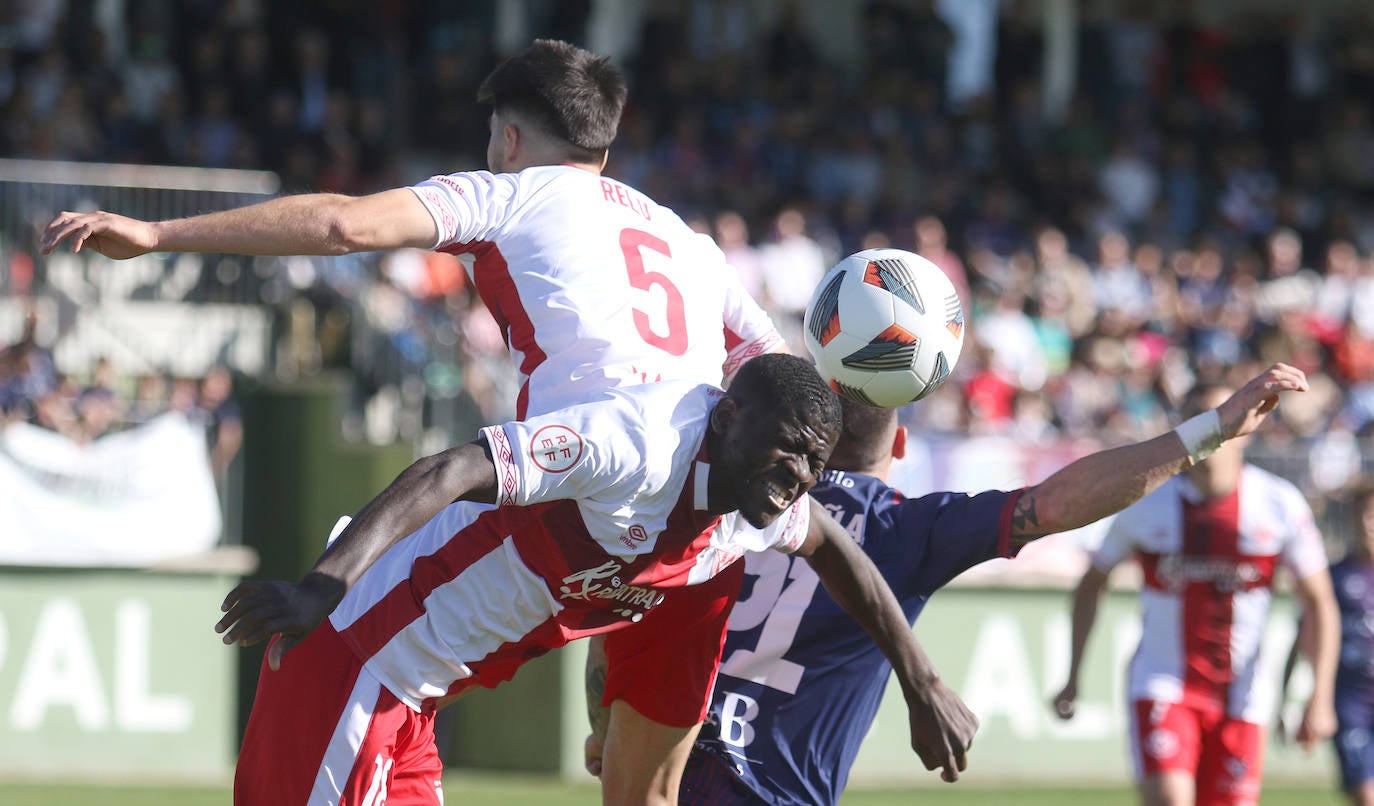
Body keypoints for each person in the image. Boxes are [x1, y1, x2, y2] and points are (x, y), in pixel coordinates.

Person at [42, 38, 958, 802]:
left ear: (509, 135)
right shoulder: (688, 248)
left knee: (676, 548)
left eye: (492, 138)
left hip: (458, 638)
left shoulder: (511, 193)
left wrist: (162, 235)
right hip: (395, 633)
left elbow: (343, 228)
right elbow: (768, 372)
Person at [213, 353, 976, 806]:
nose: (801, 477)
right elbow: (451, 469)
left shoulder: (756, 498)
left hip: (414, 704)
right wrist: (322, 586)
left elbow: (837, 552)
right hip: (355, 663)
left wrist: (923, 683)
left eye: (816, 461)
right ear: (728, 417)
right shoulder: (637, 443)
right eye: (788, 450)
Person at [579, 363, 1315, 806]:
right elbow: (1058, 502)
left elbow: (633, 602)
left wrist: (606, 725)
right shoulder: (906, 530)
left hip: (663, 763)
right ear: (900, 445)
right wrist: (1207, 432)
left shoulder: (743, 489)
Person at [1052, 381, 1339, 806]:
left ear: (1248, 427)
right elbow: (1093, 581)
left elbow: (1319, 602)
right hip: (1164, 685)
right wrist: (1073, 673)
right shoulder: (1146, 500)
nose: (1216, 429)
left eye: (1225, 416)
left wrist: (1320, 697)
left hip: (1244, 697)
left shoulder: (1279, 504)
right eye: (1203, 418)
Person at [1280, 482, 1374, 805]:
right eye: (1365, 515)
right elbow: (1303, 636)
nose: (1369, 524)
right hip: (1351, 703)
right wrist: (1288, 698)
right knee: (1366, 795)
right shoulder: (1332, 577)